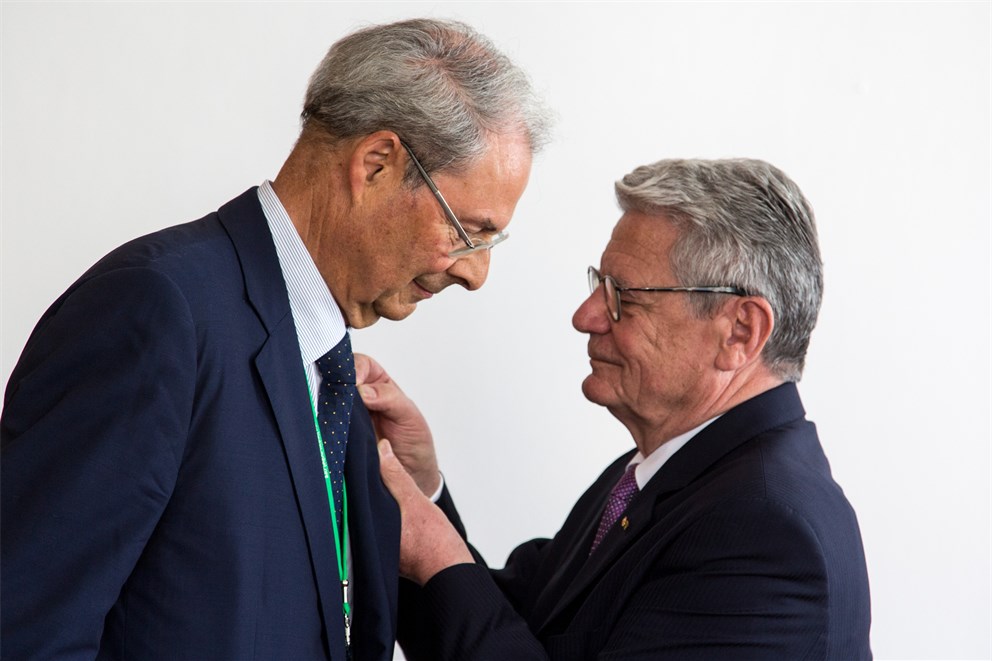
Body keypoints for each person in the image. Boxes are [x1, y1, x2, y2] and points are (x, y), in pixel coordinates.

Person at [1, 18, 550, 660]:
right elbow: (27, 632)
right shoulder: (155, 311)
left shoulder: (332, 367)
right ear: (375, 165)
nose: (475, 272)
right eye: (468, 230)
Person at [359, 158, 873, 660]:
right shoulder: (661, 472)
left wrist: (438, 556)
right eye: (597, 286)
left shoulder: (764, 531)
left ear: (740, 331)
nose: (586, 317)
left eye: (623, 295)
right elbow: (513, 625)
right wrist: (421, 487)